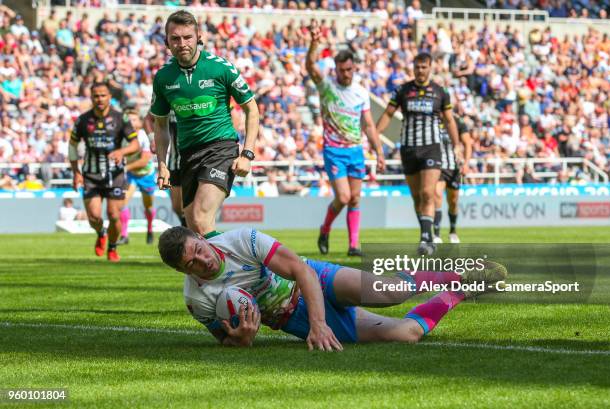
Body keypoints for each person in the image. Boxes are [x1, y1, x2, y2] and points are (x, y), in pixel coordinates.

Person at [157, 226, 508, 350]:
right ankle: (461, 290)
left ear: (202, 238)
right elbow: (226, 340)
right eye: (191, 264)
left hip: (315, 279)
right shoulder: (197, 300)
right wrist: (243, 339)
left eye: (199, 250)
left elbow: (300, 271)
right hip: (291, 318)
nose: (202, 262)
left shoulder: (241, 240)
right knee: (405, 335)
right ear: (181, 271)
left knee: (390, 292)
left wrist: (319, 323)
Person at [151, 10, 259, 238]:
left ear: (199, 37)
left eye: (187, 37)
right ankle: (229, 270)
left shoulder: (221, 68)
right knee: (195, 230)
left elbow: (251, 108)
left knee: (200, 219)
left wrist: (247, 154)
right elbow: (160, 126)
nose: (182, 43)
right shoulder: (163, 78)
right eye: (175, 38)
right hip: (188, 154)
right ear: (167, 42)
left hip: (221, 149)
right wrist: (162, 164)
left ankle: (255, 263)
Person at [307, 23, 385, 257]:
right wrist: (314, 43)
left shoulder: (361, 92)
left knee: (355, 198)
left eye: (350, 70)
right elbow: (310, 65)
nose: (346, 74)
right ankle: (325, 228)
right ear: (336, 70)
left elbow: (369, 125)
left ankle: (353, 245)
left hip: (356, 150)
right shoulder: (327, 87)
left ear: (354, 68)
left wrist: (379, 152)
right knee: (343, 197)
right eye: (342, 70)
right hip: (333, 150)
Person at [376, 53, 461, 256]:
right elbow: (388, 114)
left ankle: (425, 238)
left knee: (427, 193)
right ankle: (428, 235)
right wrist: (375, 137)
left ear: (430, 67)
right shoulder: (402, 90)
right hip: (408, 149)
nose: (420, 70)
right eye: (417, 67)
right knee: (416, 197)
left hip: (431, 147)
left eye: (424, 67)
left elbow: (449, 121)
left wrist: (456, 145)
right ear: (413, 68)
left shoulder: (440, 92)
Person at [69, 82, 139, 262]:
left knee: (114, 214)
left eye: (103, 95)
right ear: (91, 97)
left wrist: (121, 152)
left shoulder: (120, 118)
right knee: (94, 216)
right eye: (96, 96)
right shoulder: (83, 120)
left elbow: (135, 144)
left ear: (109, 97)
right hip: (90, 175)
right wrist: (76, 172)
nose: (99, 99)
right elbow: (73, 146)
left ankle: (113, 247)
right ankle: (101, 233)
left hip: (114, 175)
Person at [118, 110, 158, 245]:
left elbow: (144, 160)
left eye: (134, 119)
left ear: (140, 123)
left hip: (146, 174)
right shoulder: (121, 136)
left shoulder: (143, 136)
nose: (131, 122)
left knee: (148, 206)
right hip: (131, 175)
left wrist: (124, 167)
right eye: (128, 119)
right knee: (122, 202)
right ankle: (124, 235)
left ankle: (150, 228)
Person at [433, 116, 472, 244]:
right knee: (437, 195)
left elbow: (467, 143)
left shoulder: (458, 122)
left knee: (453, 201)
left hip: (454, 168)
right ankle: (436, 234)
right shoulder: (433, 120)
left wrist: (466, 163)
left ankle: (453, 231)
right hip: (437, 166)